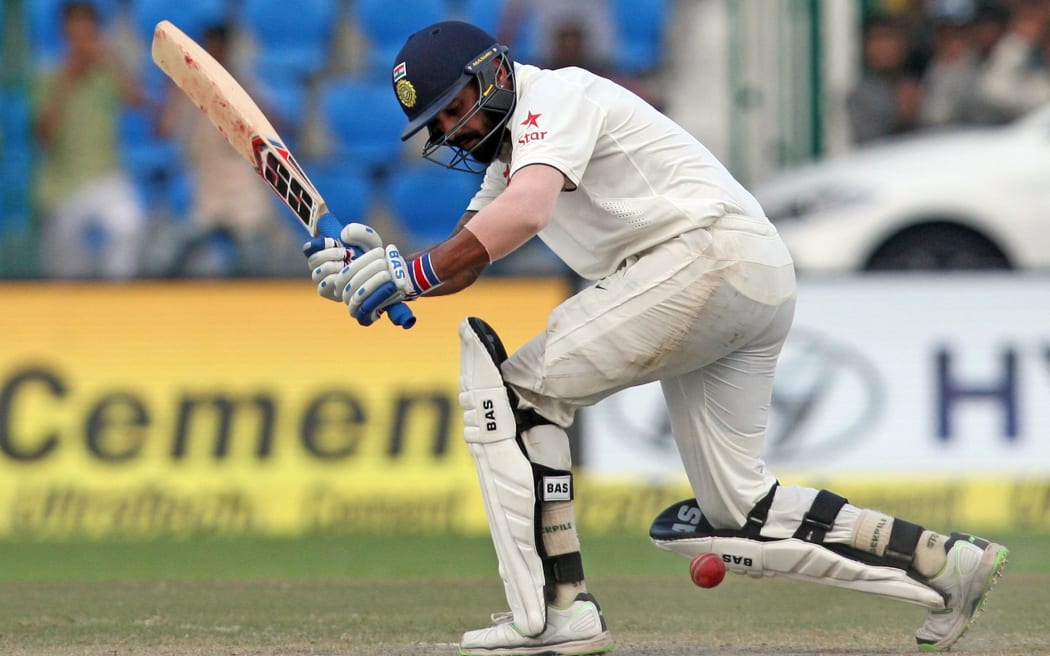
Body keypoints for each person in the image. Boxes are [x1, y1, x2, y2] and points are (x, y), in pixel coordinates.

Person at [304, 21, 1008, 655]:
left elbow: (527, 211)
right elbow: (468, 254)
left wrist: (412, 272)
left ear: (490, 74)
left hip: (702, 258)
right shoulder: (508, 157)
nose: (454, 131)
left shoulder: (556, 99)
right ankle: (944, 563)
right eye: (440, 124)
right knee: (738, 512)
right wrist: (379, 270)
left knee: (517, 397)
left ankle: (559, 612)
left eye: (456, 110)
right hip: (746, 274)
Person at [157, 23, 300, 277]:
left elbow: (279, 128)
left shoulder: (245, 89)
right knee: (167, 255)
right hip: (208, 197)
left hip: (245, 196)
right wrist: (174, 91)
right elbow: (162, 131)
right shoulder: (189, 90)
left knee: (251, 261)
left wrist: (244, 94)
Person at [32, 0, 146, 279]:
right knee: (64, 250)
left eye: (87, 32)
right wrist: (67, 80)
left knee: (129, 225)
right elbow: (43, 136)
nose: (81, 40)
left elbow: (138, 102)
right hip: (64, 182)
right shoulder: (47, 75)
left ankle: (116, 298)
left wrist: (110, 59)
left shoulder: (106, 70)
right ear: (64, 34)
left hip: (107, 176)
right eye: (75, 33)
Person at [846, 14, 923, 143]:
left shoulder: (922, 81)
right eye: (875, 40)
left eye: (888, 38)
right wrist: (900, 116)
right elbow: (870, 145)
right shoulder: (860, 96)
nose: (882, 48)